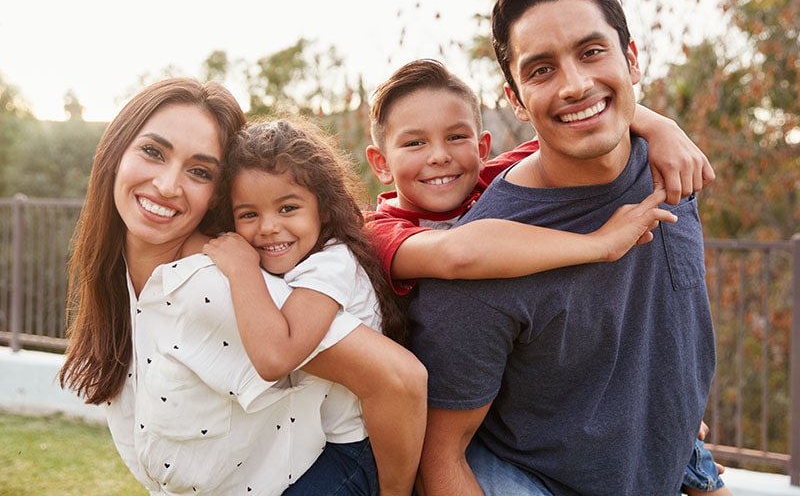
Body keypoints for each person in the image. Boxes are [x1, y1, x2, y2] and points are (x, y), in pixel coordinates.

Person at [406, 0, 717, 495]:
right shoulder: (484, 260)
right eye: (542, 69)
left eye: (592, 52)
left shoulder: (671, 167)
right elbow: (441, 458)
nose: (575, 85)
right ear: (515, 99)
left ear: (632, 59)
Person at [57, 78, 425, 496]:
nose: (166, 185)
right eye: (153, 152)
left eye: (199, 171)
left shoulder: (218, 285)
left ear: (216, 194)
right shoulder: (121, 275)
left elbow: (398, 380)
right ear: (115, 152)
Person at [203, 117, 425, 495]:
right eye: (249, 214)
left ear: (323, 209)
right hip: (318, 444)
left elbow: (277, 357)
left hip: (357, 451)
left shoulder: (330, 264)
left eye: (287, 208)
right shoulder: (297, 262)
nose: (269, 227)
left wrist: (242, 270)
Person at [365, 58, 711, 297]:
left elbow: (579, 124)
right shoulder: (376, 232)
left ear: (482, 148)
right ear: (381, 164)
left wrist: (663, 128)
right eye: (414, 143)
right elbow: (457, 254)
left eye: (456, 137)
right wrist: (601, 244)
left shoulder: (491, 178)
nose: (440, 156)